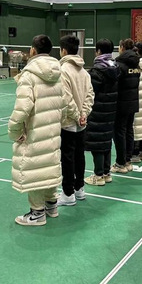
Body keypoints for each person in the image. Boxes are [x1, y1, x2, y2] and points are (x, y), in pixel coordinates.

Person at [8, 35, 64, 226]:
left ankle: (37, 213)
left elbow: (22, 109)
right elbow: (65, 103)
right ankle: (51, 206)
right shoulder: (59, 72)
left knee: (35, 170)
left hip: (33, 132)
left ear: (33, 50)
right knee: (49, 167)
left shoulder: (29, 75)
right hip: (53, 131)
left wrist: (15, 132)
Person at [57, 35, 94, 207]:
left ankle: (68, 193)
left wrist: (78, 115)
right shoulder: (84, 71)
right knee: (79, 155)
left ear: (63, 50)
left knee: (68, 158)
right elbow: (90, 96)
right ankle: (79, 188)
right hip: (81, 123)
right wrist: (83, 114)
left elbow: (66, 98)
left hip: (68, 123)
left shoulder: (63, 70)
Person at [84, 39, 119, 186]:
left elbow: (91, 93)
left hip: (97, 111)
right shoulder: (115, 67)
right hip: (111, 110)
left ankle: (98, 175)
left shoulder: (97, 72)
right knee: (106, 141)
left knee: (97, 143)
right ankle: (106, 173)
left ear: (98, 51)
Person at [111, 39, 140, 173]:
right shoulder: (136, 64)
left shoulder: (119, 65)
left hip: (121, 103)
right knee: (129, 130)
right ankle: (128, 160)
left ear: (122, 47)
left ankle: (120, 163)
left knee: (119, 132)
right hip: (133, 102)